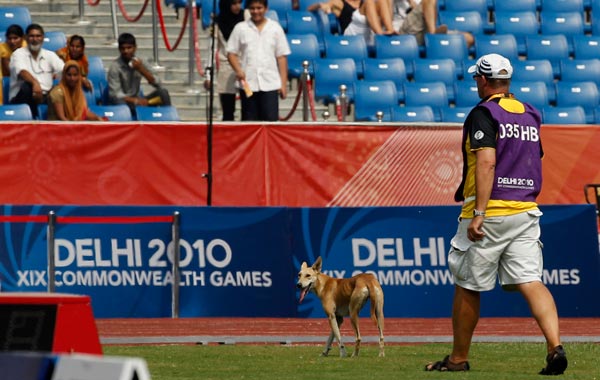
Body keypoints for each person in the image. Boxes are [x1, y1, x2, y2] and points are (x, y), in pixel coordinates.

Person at [425, 53, 567, 375]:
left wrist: (479, 213)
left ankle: (458, 359)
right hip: (526, 209)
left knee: (467, 285)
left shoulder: (483, 113)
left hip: (490, 212)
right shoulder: (530, 113)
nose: (476, 82)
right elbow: (534, 158)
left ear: (485, 81)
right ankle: (554, 346)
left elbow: (487, 162)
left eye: (477, 77)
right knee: (531, 281)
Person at [227, 0, 290, 121]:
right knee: (249, 122)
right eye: (253, 8)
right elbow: (231, 53)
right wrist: (238, 70)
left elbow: (281, 57)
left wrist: (283, 84)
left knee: (270, 122)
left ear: (266, 8)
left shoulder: (275, 29)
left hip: (270, 83)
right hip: (248, 83)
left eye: (259, 8)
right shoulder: (241, 28)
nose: (256, 12)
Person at [9, 23, 64, 118]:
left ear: (43, 38)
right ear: (26, 38)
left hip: (45, 95)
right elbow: (22, 72)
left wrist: (82, 78)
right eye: (31, 36)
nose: (35, 39)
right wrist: (35, 83)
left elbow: (64, 70)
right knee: (27, 87)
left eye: (38, 36)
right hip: (22, 96)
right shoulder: (18, 54)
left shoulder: (49, 55)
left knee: (60, 90)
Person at [107, 32, 171, 114]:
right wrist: (136, 101)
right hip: (124, 102)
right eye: (123, 48)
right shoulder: (115, 67)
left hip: (138, 101)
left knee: (163, 93)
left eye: (129, 48)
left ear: (135, 48)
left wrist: (141, 69)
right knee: (119, 101)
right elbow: (115, 94)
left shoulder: (141, 62)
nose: (126, 51)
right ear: (119, 49)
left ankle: (169, 121)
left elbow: (158, 83)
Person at [207, 0, 245, 121]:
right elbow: (211, 49)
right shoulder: (217, 23)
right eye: (233, 3)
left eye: (239, 2)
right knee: (228, 111)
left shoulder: (246, 17)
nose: (237, 6)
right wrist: (208, 75)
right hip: (226, 69)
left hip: (245, 68)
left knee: (248, 109)